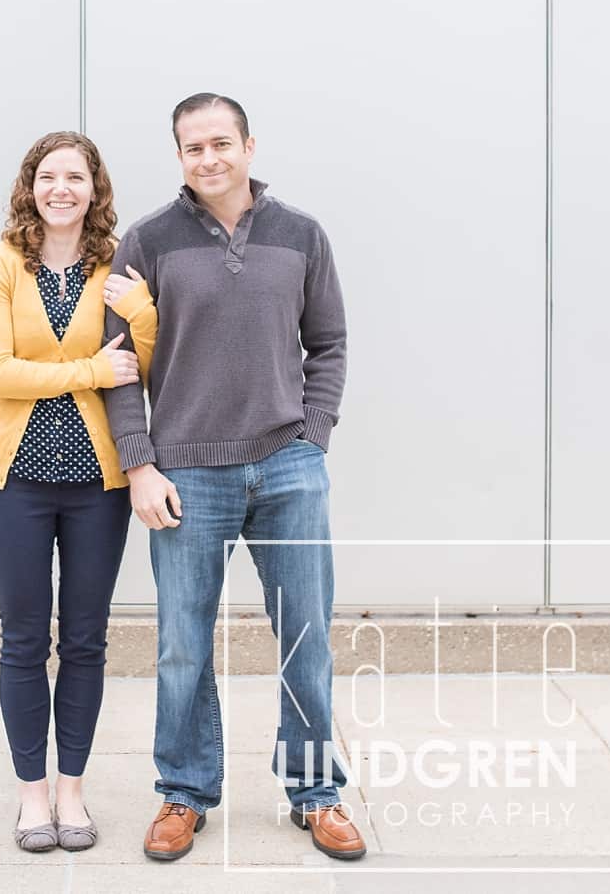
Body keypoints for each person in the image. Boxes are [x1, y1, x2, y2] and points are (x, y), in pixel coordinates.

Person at [100, 93, 363, 863]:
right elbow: (120, 366)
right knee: (183, 643)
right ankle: (183, 792)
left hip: (287, 464)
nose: (209, 158)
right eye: (193, 147)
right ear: (178, 156)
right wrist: (140, 461)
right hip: (186, 471)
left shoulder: (301, 234)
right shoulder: (145, 242)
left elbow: (331, 343)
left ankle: (315, 793)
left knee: (305, 638)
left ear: (250, 145)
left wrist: (312, 440)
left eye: (222, 142)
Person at [0, 130, 158, 854]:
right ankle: (31, 797)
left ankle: (72, 791)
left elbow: (141, 367)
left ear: (94, 188)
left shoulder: (116, 267)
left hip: (97, 488)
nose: (61, 189)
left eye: (75, 177)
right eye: (49, 176)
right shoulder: (0, 266)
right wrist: (87, 369)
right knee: (23, 641)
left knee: (84, 642)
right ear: (30, 185)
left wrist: (141, 315)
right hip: (15, 483)